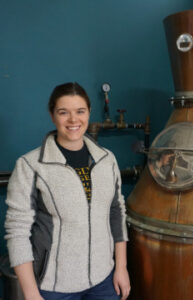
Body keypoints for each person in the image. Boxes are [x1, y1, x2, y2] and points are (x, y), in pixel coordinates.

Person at [5, 82, 130, 300]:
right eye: (64, 112)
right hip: (54, 287)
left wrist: (121, 267)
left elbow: (116, 212)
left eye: (80, 111)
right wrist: (31, 293)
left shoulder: (107, 160)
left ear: (89, 112)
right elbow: (17, 232)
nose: (73, 120)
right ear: (52, 115)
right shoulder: (30, 165)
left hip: (104, 280)